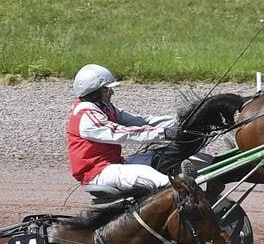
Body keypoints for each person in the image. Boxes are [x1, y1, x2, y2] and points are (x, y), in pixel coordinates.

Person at [66, 63, 190, 192]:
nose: (112, 92)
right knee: (160, 179)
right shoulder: (85, 115)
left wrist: (180, 121)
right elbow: (121, 133)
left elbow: (140, 121)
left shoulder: (104, 108)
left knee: (164, 157)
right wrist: (164, 133)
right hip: (98, 173)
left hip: (115, 165)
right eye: (108, 89)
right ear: (99, 91)